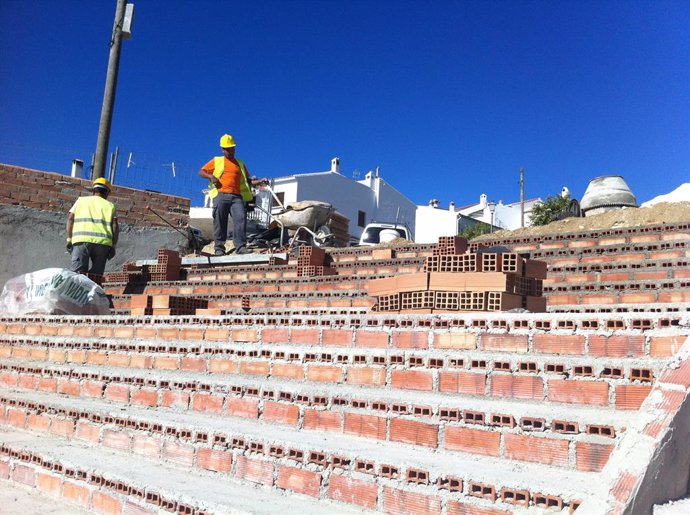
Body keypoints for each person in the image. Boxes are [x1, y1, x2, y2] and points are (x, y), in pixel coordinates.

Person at [198, 133, 267, 255]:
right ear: (223, 149)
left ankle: (240, 247)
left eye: (232, 148)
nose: (230, 151)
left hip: (237, 197)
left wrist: (260, 181)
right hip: (221, 195)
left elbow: (248, 180)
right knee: (220, 221)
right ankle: (219, 248)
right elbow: (201, 171)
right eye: (228, 149)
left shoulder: (239, 163)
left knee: (240, 219)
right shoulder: (217, 160)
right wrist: (211, 176)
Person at [66, 177, 119, 275]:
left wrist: (69, 239)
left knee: (78, 274)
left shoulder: (81, 201)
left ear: (94, 190)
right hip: (103, 244)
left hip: (81, 240)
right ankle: (93, 290)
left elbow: (70, 219)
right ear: (107, 192)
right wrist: (113, 246)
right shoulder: (110, 206)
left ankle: (78, 290)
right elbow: (115, 226)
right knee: (96, 276)